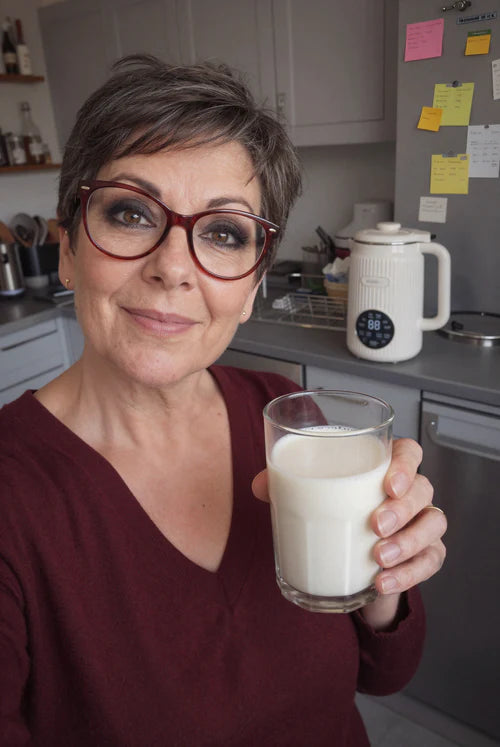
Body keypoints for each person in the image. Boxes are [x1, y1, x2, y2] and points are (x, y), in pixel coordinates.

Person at [0, 55, 446, 746]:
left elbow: (382, 672)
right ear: (68, 250)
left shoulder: (285, 416)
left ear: (251, 288)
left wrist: (384, 576)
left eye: (224, 233)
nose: (173, 267)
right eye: (129, 212)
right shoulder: (13, 493)